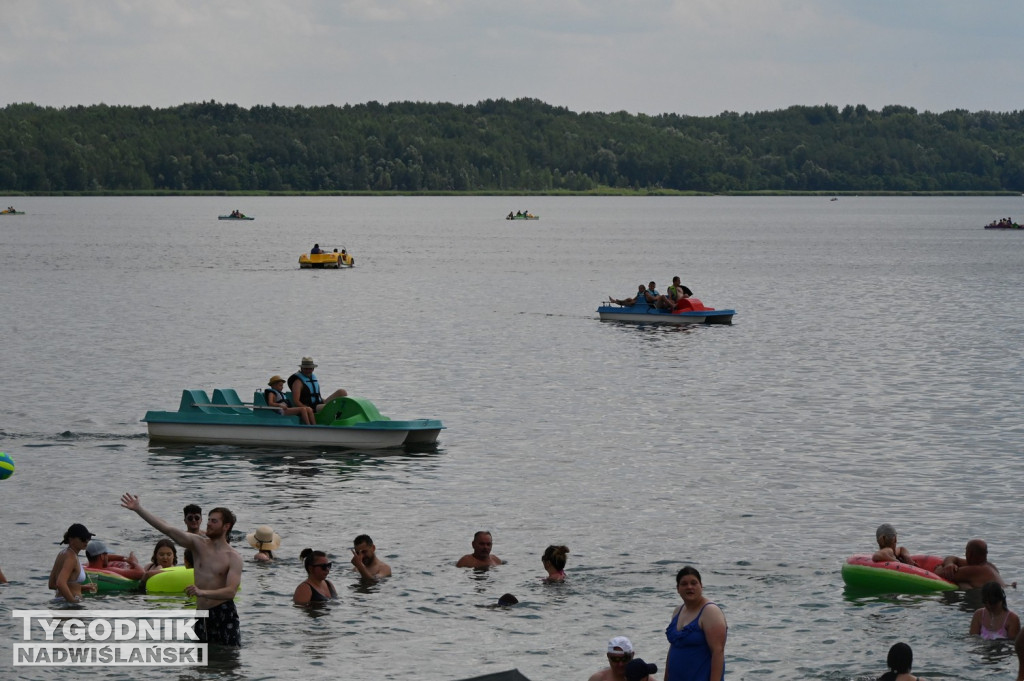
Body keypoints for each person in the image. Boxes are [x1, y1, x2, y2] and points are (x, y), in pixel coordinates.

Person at [121, 493, 242, 646]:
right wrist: (139, 509)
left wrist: (202, 592)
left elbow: (231, 591)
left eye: (214, 521)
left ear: (226, 526)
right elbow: (167, 529)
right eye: (209, 520)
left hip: (224, 612)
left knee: (228, 659)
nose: (209, 524)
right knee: (199, 661)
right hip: (201, 613)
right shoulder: (198, 545)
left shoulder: (234, 557)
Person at [665, 566, 727, 681]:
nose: (689, 587)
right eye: (684, 584)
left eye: (694, 583)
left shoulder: (710, 611)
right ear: (677, 588)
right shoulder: (677, 611)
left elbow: (718, 652)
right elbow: (673, 647)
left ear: (701, 586)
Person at [48, 523, 98, 602]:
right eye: (83, 538)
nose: (86, 541)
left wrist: (83, 587)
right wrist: (73, 602)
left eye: (88, 538)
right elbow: (60, 583)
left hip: (60, 602)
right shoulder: (71, 557)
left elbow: (51, 584)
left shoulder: (62, 554)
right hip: (69, 605)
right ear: (71, 539)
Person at [934, 539, 1010, 589]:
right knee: (964, 583)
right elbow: (953, 558)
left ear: (969, 554)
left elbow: (938, 573)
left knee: (962, 583)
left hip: (980, 603)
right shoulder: (990, 566)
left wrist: (939, 567)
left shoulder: (976, 570)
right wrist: (949, 564)